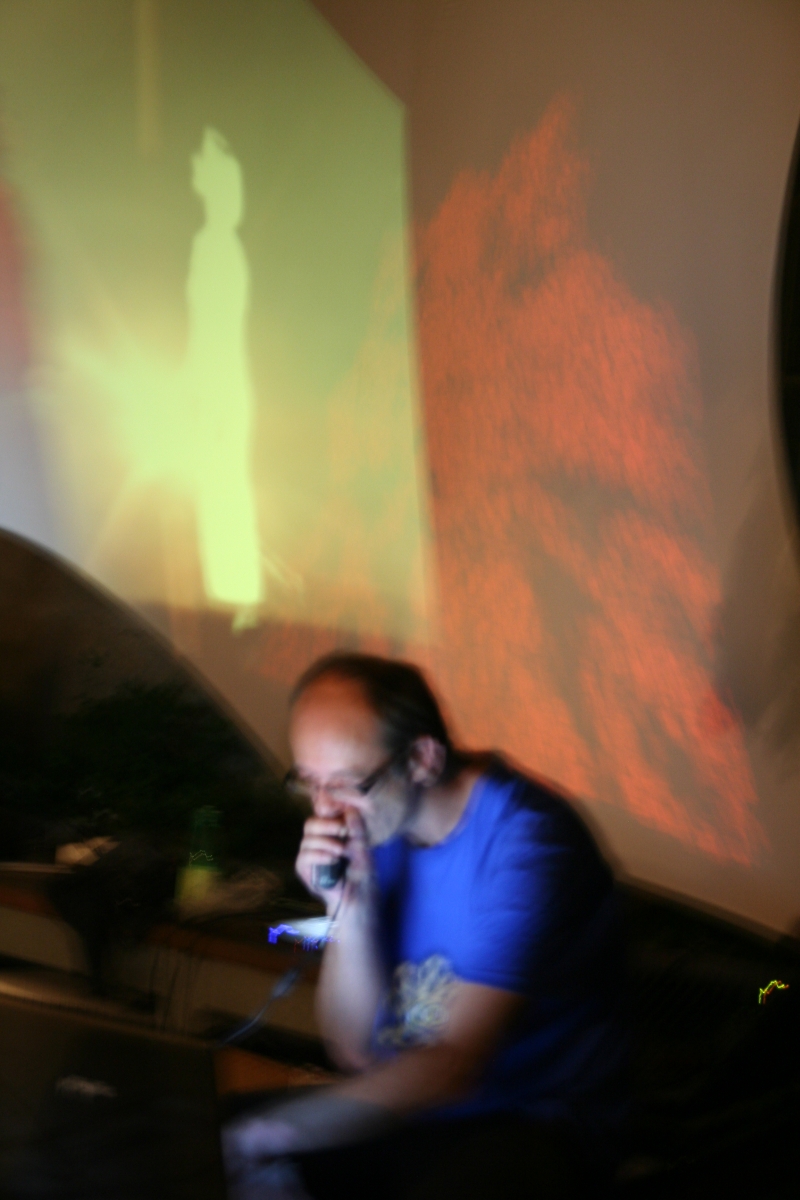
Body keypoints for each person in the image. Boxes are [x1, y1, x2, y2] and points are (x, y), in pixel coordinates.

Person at [223, 653, 628, 1199]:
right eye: (309, 783)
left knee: (259, 1139)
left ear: (421, 758)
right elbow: (354, 1050)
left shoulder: (528, 843)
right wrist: (348, 909)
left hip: (531, 1120)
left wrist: (266, 1136)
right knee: (200, 1131)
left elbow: (452, 1068)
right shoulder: (377, 828)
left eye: (345, 784)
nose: (325, 811)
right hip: (416, 1110)